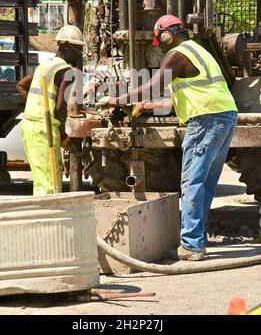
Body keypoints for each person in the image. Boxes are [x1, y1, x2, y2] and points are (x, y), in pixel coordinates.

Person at [99, 14, 238, 261]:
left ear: (166, 34)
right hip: (224, 116)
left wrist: (117, 99)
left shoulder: (177, 53)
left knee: (192, 182)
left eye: (160, 42)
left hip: (205, 120)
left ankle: (192, 245)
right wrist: (145, 105)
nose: (161, 47)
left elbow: (153, 83)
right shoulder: (199, 50)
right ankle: (197, 240)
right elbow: (177, 98)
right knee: (204, 183)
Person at [17, 25, 85, 196]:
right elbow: (60, 108)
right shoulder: (67, 71)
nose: (80, 54)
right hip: (45, 129)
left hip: (29, 126)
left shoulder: (45, 65)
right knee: (51, 183)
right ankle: (50, 220)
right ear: (66, 46)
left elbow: (20, 85)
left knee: (40, 180)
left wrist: (37, 105)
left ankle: (38, 218)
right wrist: (63, 134)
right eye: (78, 48)